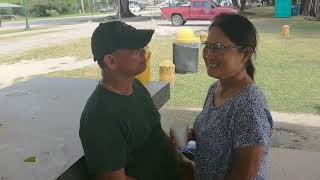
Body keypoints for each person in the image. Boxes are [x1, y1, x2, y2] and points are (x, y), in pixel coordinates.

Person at [79, 21, 182, 180]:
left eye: (142, 47)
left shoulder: (136, 86)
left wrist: (182, 160)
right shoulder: (99, 117)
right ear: (111, 61)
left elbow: (154, 131)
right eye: (135, 50)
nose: (144, 53)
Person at [191, 14, 273, 180]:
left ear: (245, 54)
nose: (209, 55)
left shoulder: (248, 106)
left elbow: (244, 176)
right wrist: (192, 135)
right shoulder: (215, 88)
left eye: (219, 47)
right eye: (208, 45)